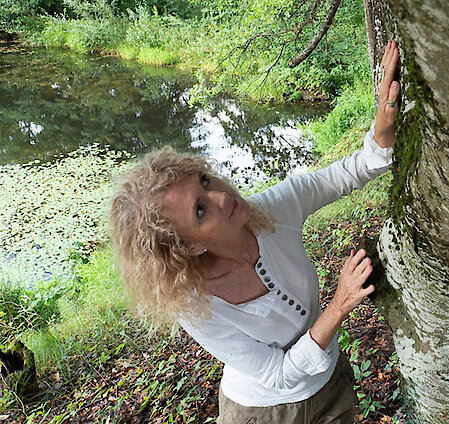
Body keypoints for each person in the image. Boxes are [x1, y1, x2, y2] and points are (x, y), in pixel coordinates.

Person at [108, 41, 401, 423]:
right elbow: (277, 375)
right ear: (188, 247)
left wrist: (383, 127)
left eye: (205, 180)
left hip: (329, 384)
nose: (221, 196)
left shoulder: (273, 210)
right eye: (200, 209)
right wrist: (340, 304)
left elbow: (348, 172)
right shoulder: (195, 306)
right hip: (261, 411)